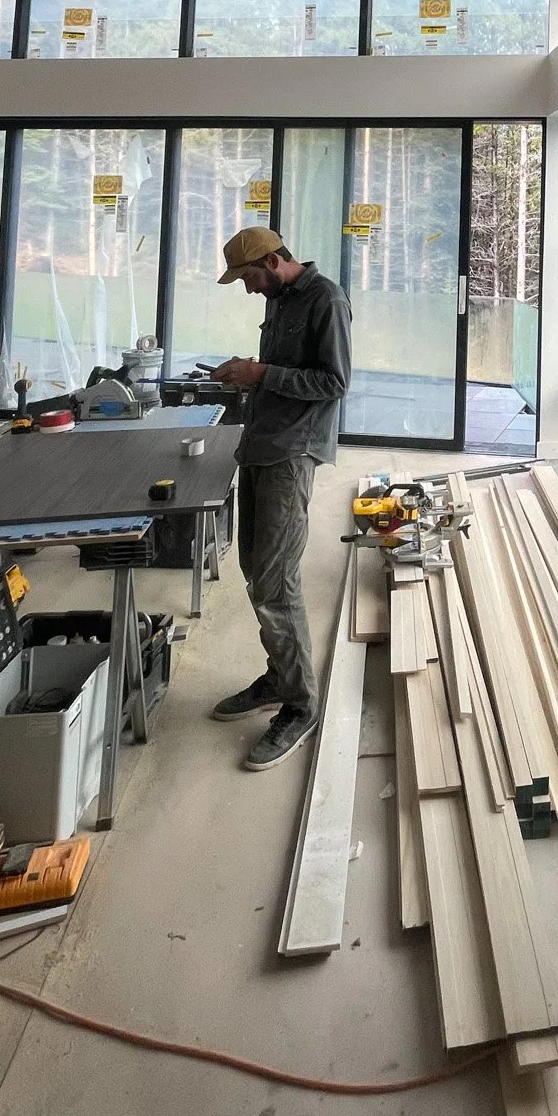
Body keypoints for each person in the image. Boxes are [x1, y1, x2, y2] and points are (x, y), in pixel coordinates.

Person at [206, 227, 352, 771]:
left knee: (276, 580)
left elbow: (334, 382)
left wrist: (263, 372)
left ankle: (299, 704)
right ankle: (280, 676)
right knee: (254, 568)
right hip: (262, 445)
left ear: (273, 260)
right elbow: (286, 376)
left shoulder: (326, 299)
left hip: (292, 454)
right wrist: (248, 378)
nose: (247, 290)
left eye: (248, 278)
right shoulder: (282, 299)